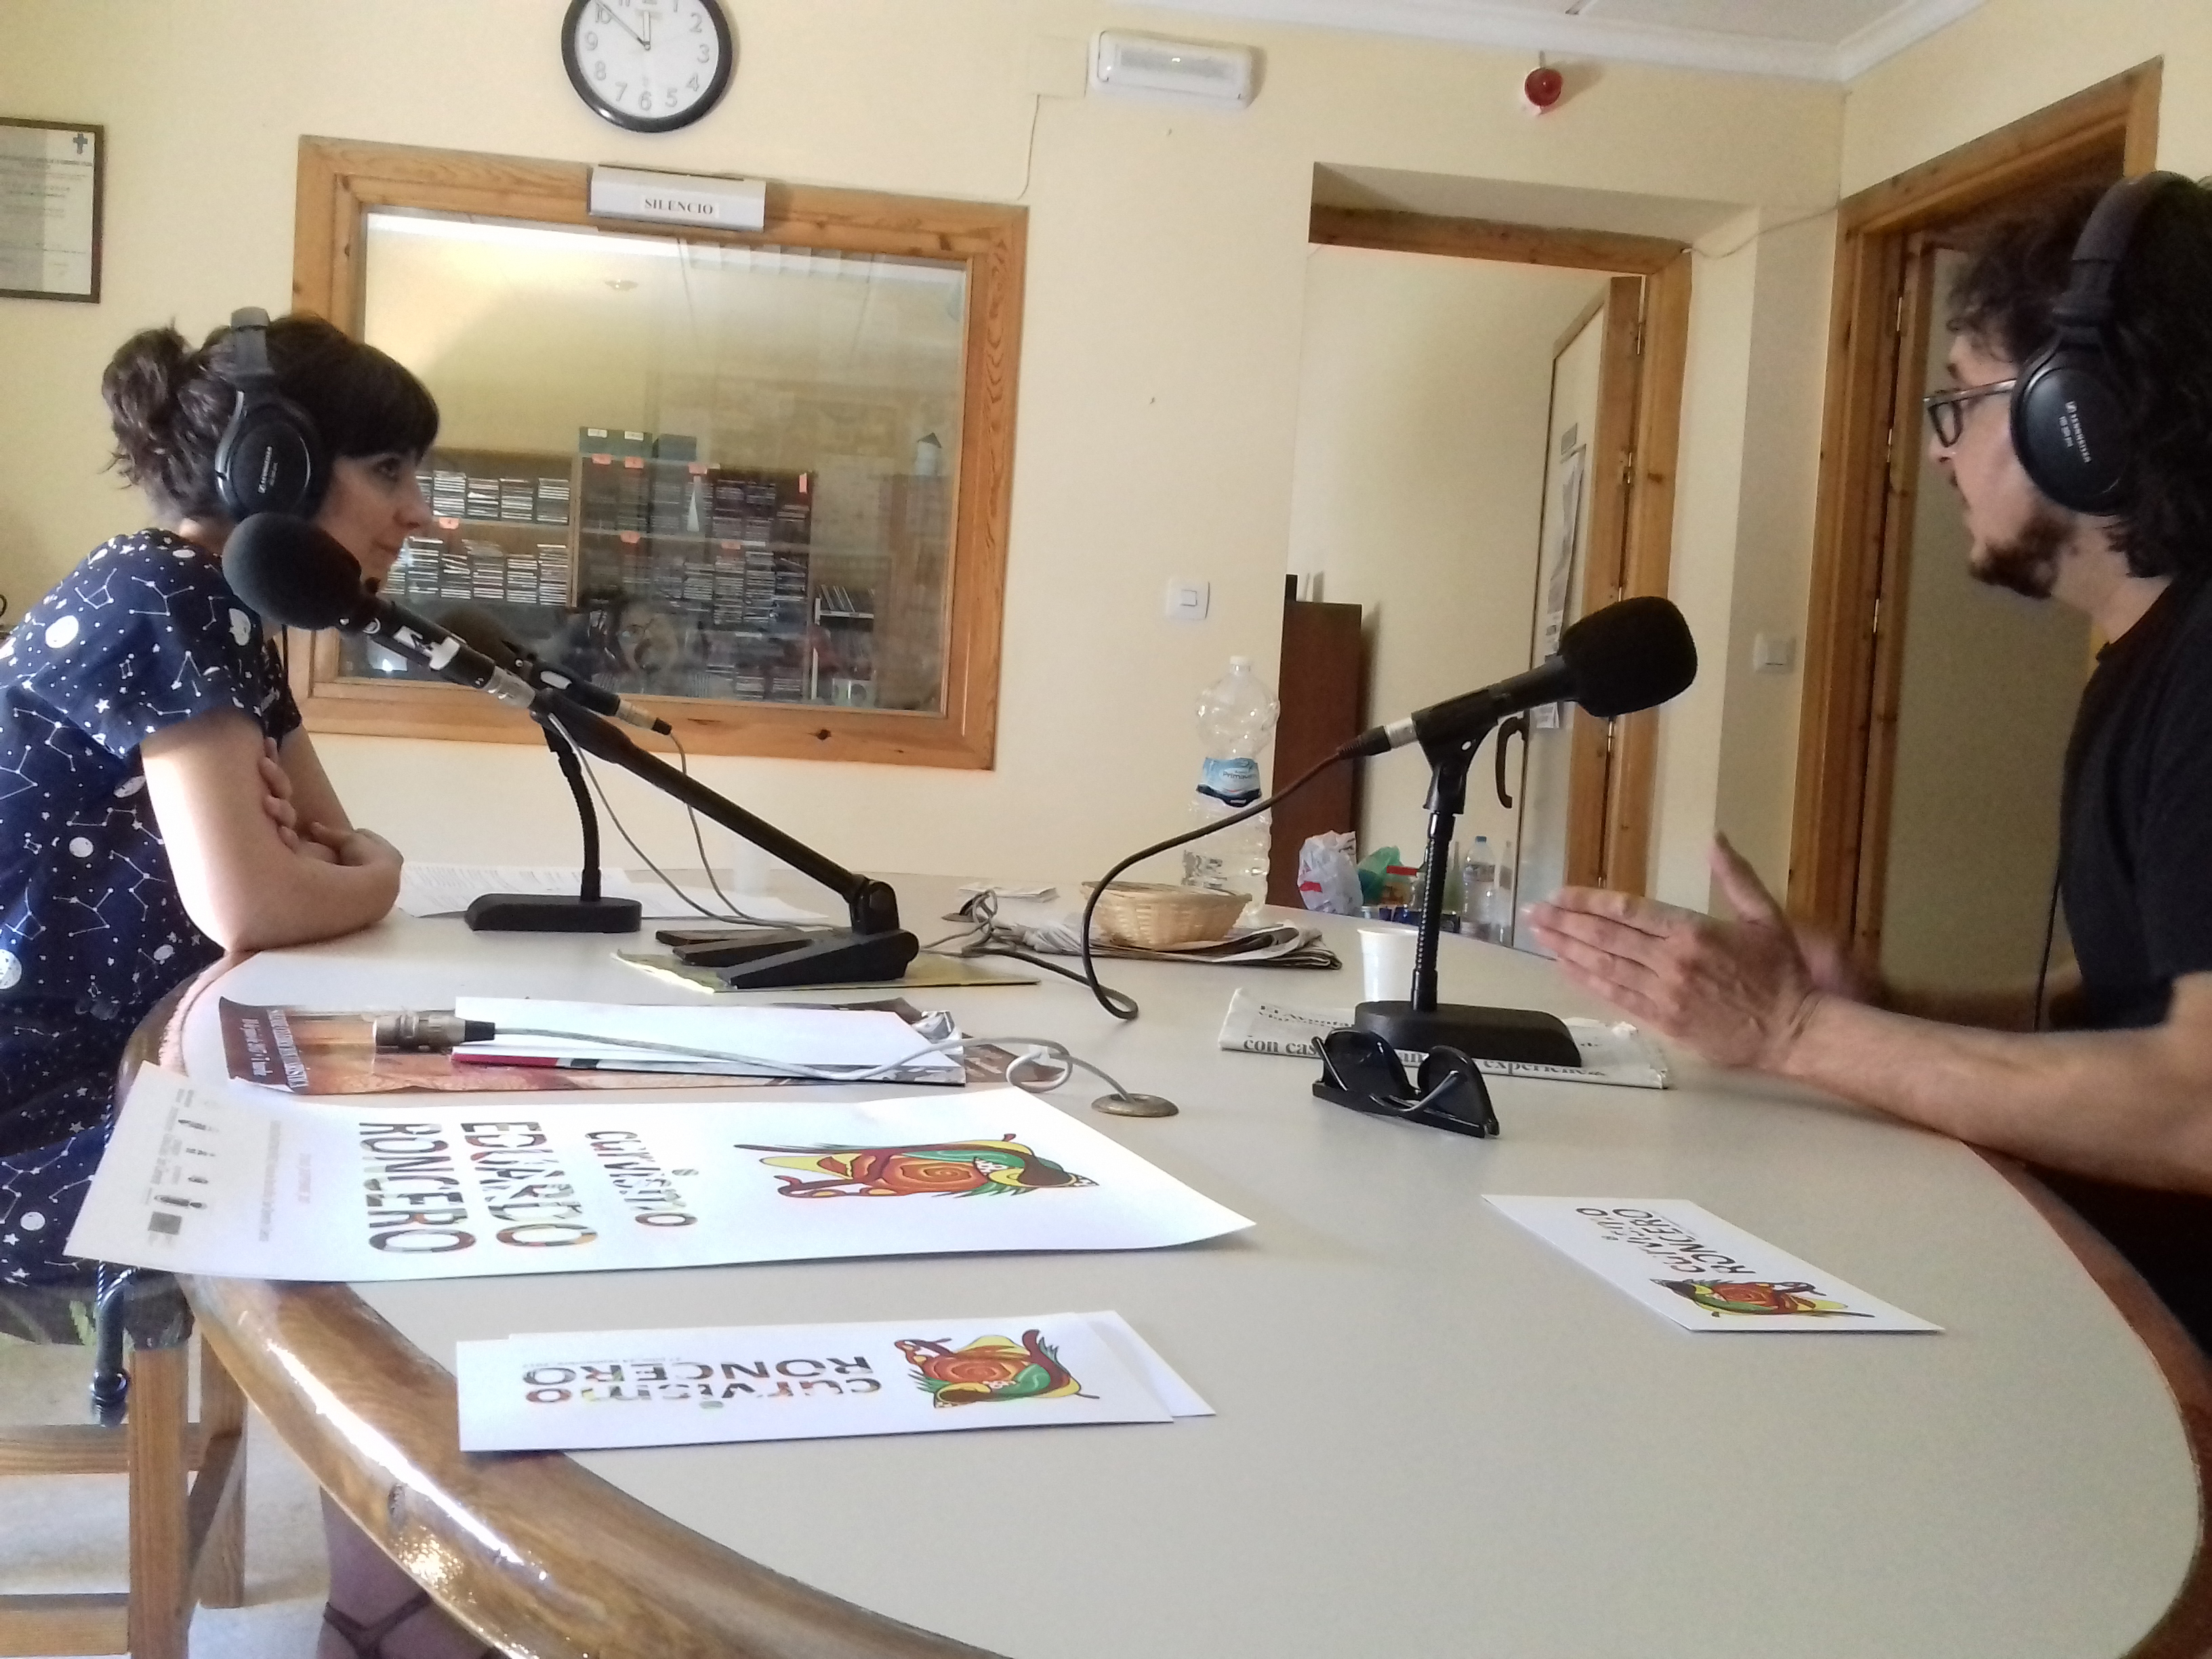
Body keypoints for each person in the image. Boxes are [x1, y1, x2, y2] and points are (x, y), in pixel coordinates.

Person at [1525, 174, 2212, 1351]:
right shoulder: (2146, 661)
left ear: (2078, 415)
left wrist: (1794, 1029)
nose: (1939, 454)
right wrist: (1888, 1008)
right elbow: (2136, 996)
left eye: (1962, 401)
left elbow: (2197, 1108)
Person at [0, 312, 491, 1658]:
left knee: (450, 1062)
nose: (417, 513)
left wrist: (341, 868)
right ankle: (391, 1602)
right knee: (361, 1163)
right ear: (275, 464)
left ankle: (420, 1560)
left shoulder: (219, 608)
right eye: (389, 470)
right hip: (40, 1120)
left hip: (131, 1059)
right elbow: (271, 898)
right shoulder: (160, 600)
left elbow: (318, 851)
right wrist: (372, 873)